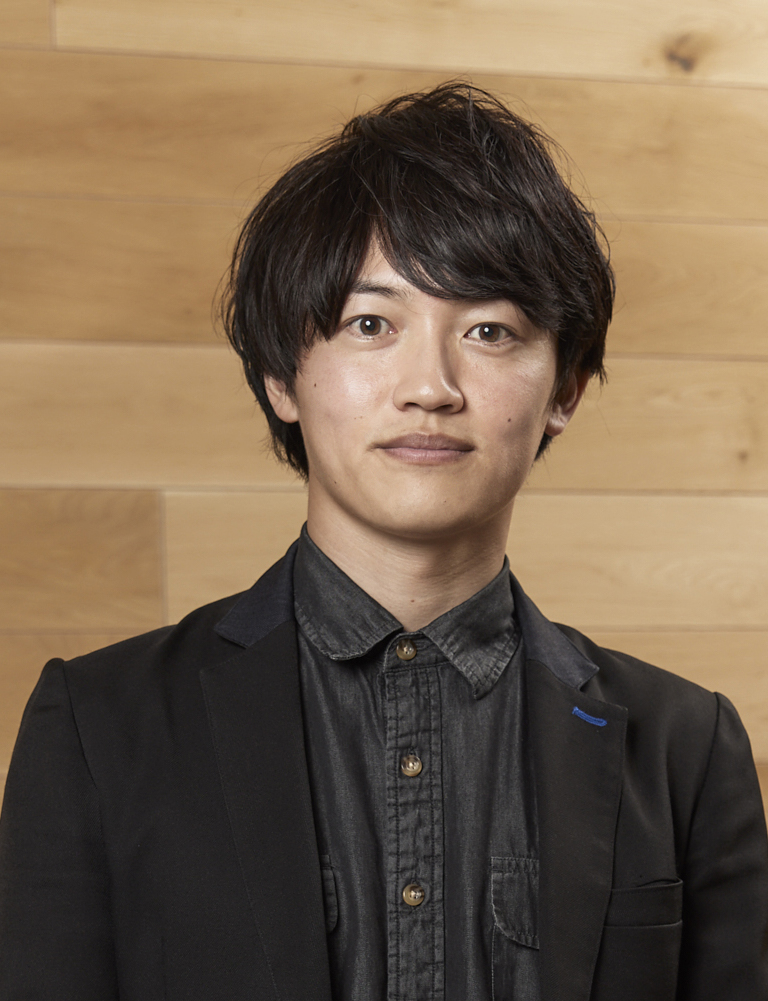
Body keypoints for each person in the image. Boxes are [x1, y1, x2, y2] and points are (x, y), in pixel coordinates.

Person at [0, 83, 766, 1001]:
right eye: (372, 324)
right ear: (282, 374)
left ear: (564, 389)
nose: (430, 386)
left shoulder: (685, 747)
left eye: (490, 329)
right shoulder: (97, 727)